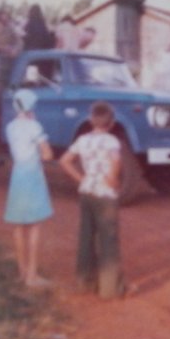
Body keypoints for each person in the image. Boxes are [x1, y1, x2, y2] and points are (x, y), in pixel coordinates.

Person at [59, 101, 126, 298]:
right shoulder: (112, 141)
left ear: (90, 120)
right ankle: (109, 289)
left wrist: (81, 178)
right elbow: (116, 163)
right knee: (108, 239)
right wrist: (113, 182)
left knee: (86, 236)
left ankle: (85, 282)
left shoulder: (82, 140)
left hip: (87, 191)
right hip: (105, 194)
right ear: (112, 122)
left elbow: (64, 161)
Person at [3, 88, 54, 286]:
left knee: (18, 225)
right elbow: (47, 154)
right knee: (34, 225)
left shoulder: (10, 127)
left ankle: (22, 272)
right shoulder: (35, 126)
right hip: (32, 176)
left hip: (17, 175)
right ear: (32, 106)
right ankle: (32, 276)